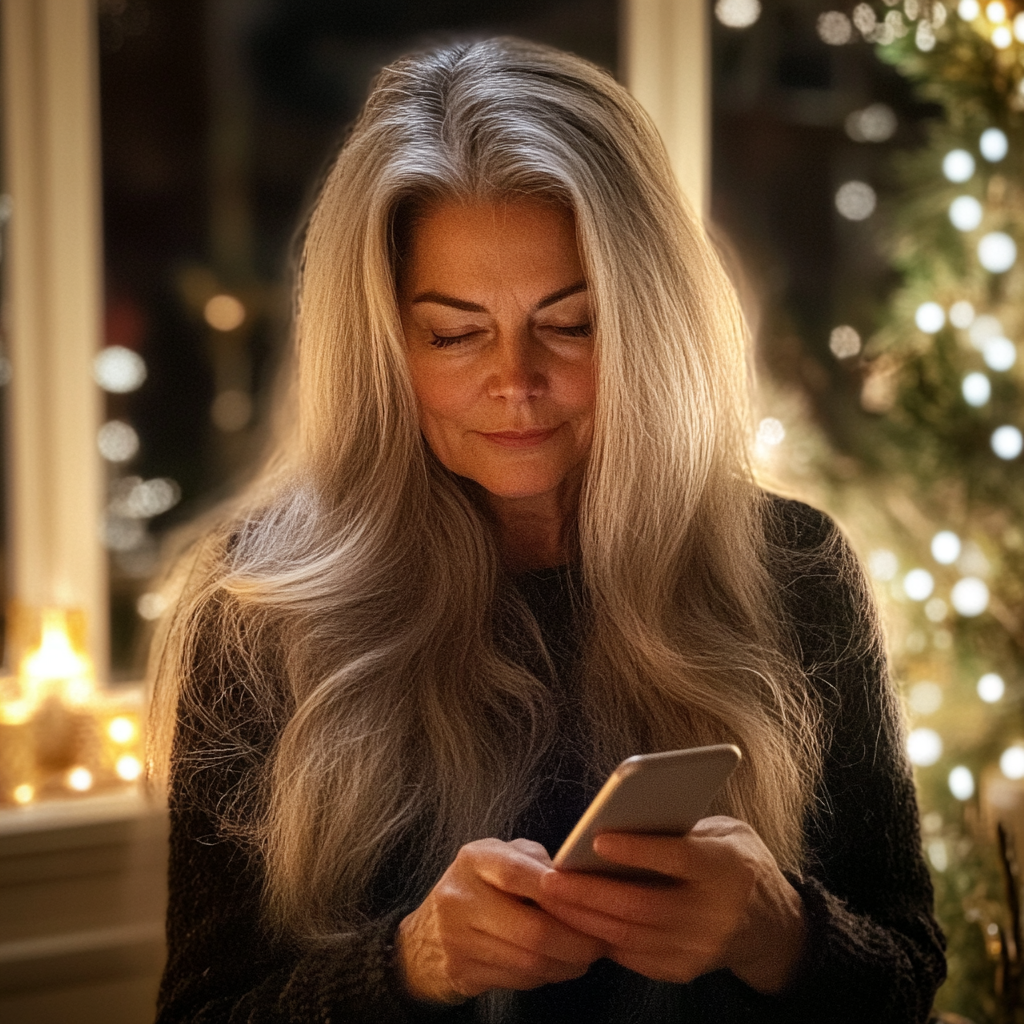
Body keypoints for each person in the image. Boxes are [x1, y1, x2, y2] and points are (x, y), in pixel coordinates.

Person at [150, 37, 946, 1024]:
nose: (515, 381)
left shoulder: (791, 569)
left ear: (644, 323)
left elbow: (906, 975)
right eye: (455, 332)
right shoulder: (263, 608)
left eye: (569, 323)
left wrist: (774, 928)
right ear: (385, 343)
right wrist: (410, 964)